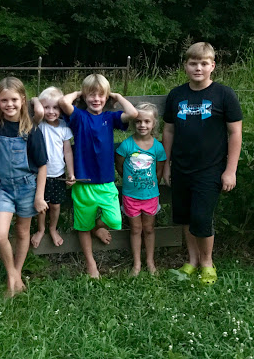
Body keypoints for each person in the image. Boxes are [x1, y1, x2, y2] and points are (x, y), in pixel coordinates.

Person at [162, 42, 242, 285]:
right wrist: (167, 165)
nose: (198, 68)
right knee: (186, 216)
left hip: (211, 168)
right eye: (193, 63)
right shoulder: (176, 95)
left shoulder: (224, 95)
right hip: (181, 167)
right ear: (185, 66)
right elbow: (168, 131)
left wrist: (230, 170)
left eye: (204, 63)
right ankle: (192, 260)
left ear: (212, 66)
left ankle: (207, 263)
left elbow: (235, 133)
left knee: (201, 217)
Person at [59, 74, 138, 278]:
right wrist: (78, 93)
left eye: (101, 95)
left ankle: (96, 228)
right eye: (91, 95)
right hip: (83, 182)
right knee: (82, 226)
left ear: (106, 97)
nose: (96, 99)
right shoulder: (79, 117)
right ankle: (91, 264)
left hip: (105, 181)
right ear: (84, 97)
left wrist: (117, 96)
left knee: (114, 219)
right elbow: (63, 102)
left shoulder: (109, 118)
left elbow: (133, 113)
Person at [0, 77, 49, 296]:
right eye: (4, 100)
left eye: (14, 99)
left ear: (22, 100)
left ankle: (16, 276)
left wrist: (39, 196)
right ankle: (13, 274)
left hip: (27, 187)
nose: (9, 104)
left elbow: (42, 165)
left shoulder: (30, 129)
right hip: (2, 188)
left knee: (23, 232)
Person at [115, 102, 166, 276]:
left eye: (146, 121)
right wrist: (131, 181)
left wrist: (150, 185)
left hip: (150, 195)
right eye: (138, 121)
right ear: (133, 123)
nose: (142, 125)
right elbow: (119, 166)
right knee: (135, 229)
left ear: (154, 123)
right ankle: (136, 264)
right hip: (131, 195)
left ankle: (150, 262)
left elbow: (159, 171)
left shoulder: (158, 147)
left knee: (149, 228)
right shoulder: (126, 145)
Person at [30, 87, 75, 248]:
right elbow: (38, 112)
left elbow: (67, 152)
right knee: (42, 205)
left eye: (55, 107)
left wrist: (71, 172)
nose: (50, 111)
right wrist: (35, 100)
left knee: (55, 205)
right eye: (46, 107)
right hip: (40, 175)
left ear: (61, 109)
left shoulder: (64, 127)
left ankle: (52, 228)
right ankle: (41, 229)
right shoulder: (39, 124)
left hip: (58, 174)